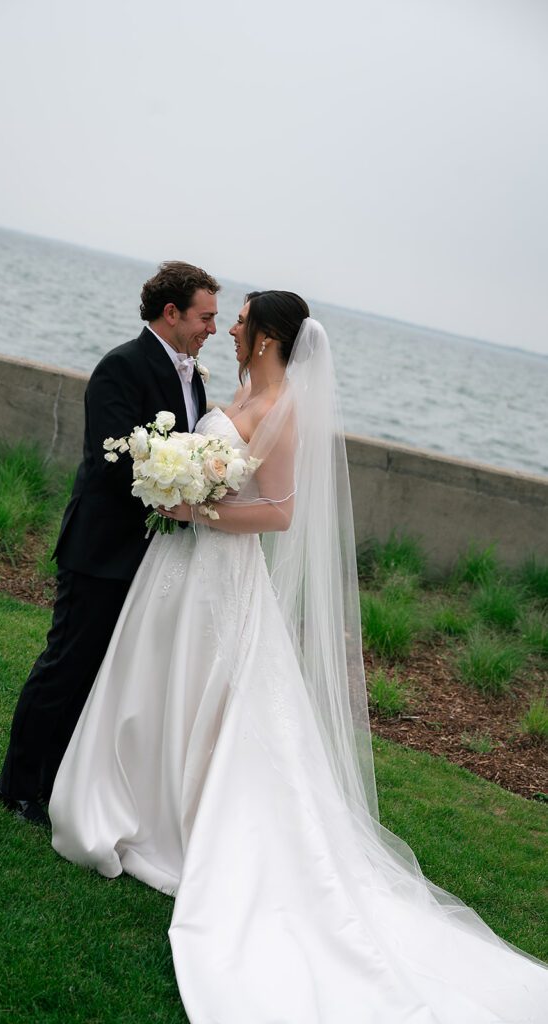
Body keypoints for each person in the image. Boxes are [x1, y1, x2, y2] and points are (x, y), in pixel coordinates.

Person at [49, 292, 548, 1022]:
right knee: (159, 680)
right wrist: (173, 483)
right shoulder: (242, 392)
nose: (233, 324)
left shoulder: (285, 412)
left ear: (269, 338)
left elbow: (278, 512)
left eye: (244, 317)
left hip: (221, 575)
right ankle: (135, 799)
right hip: (179, 571)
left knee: (210, 695)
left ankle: (179, 821)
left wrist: (198, 510)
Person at [0, 261, 219, 825]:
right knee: (66, 665)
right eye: (205, 317)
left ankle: (64, 781)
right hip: (102, 548)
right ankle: (17, 787)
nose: (211, 328)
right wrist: (185, 500)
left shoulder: (194, 376)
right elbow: (113, 463)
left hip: (150, 555)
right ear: (172, 313)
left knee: (102, 676)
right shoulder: (122, 366)